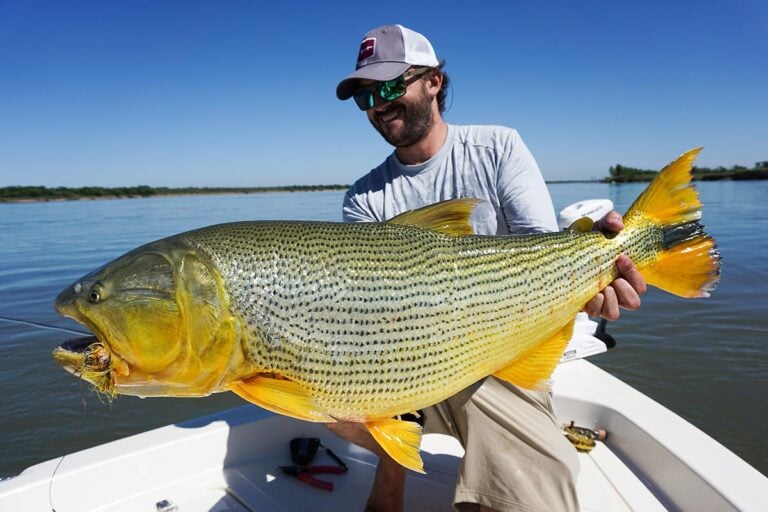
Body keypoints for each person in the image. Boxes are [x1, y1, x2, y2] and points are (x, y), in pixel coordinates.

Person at [330, 24, 646, 512]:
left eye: (391, 86)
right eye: (365, 96)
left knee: (528, 493)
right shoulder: (364, 198)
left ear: (434, 81)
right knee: (308, 390)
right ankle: (391, 478)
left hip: (499, 351)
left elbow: (540, 252)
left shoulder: (497, 147)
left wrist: (591, 271)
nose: (378, 104)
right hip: (404, 356)